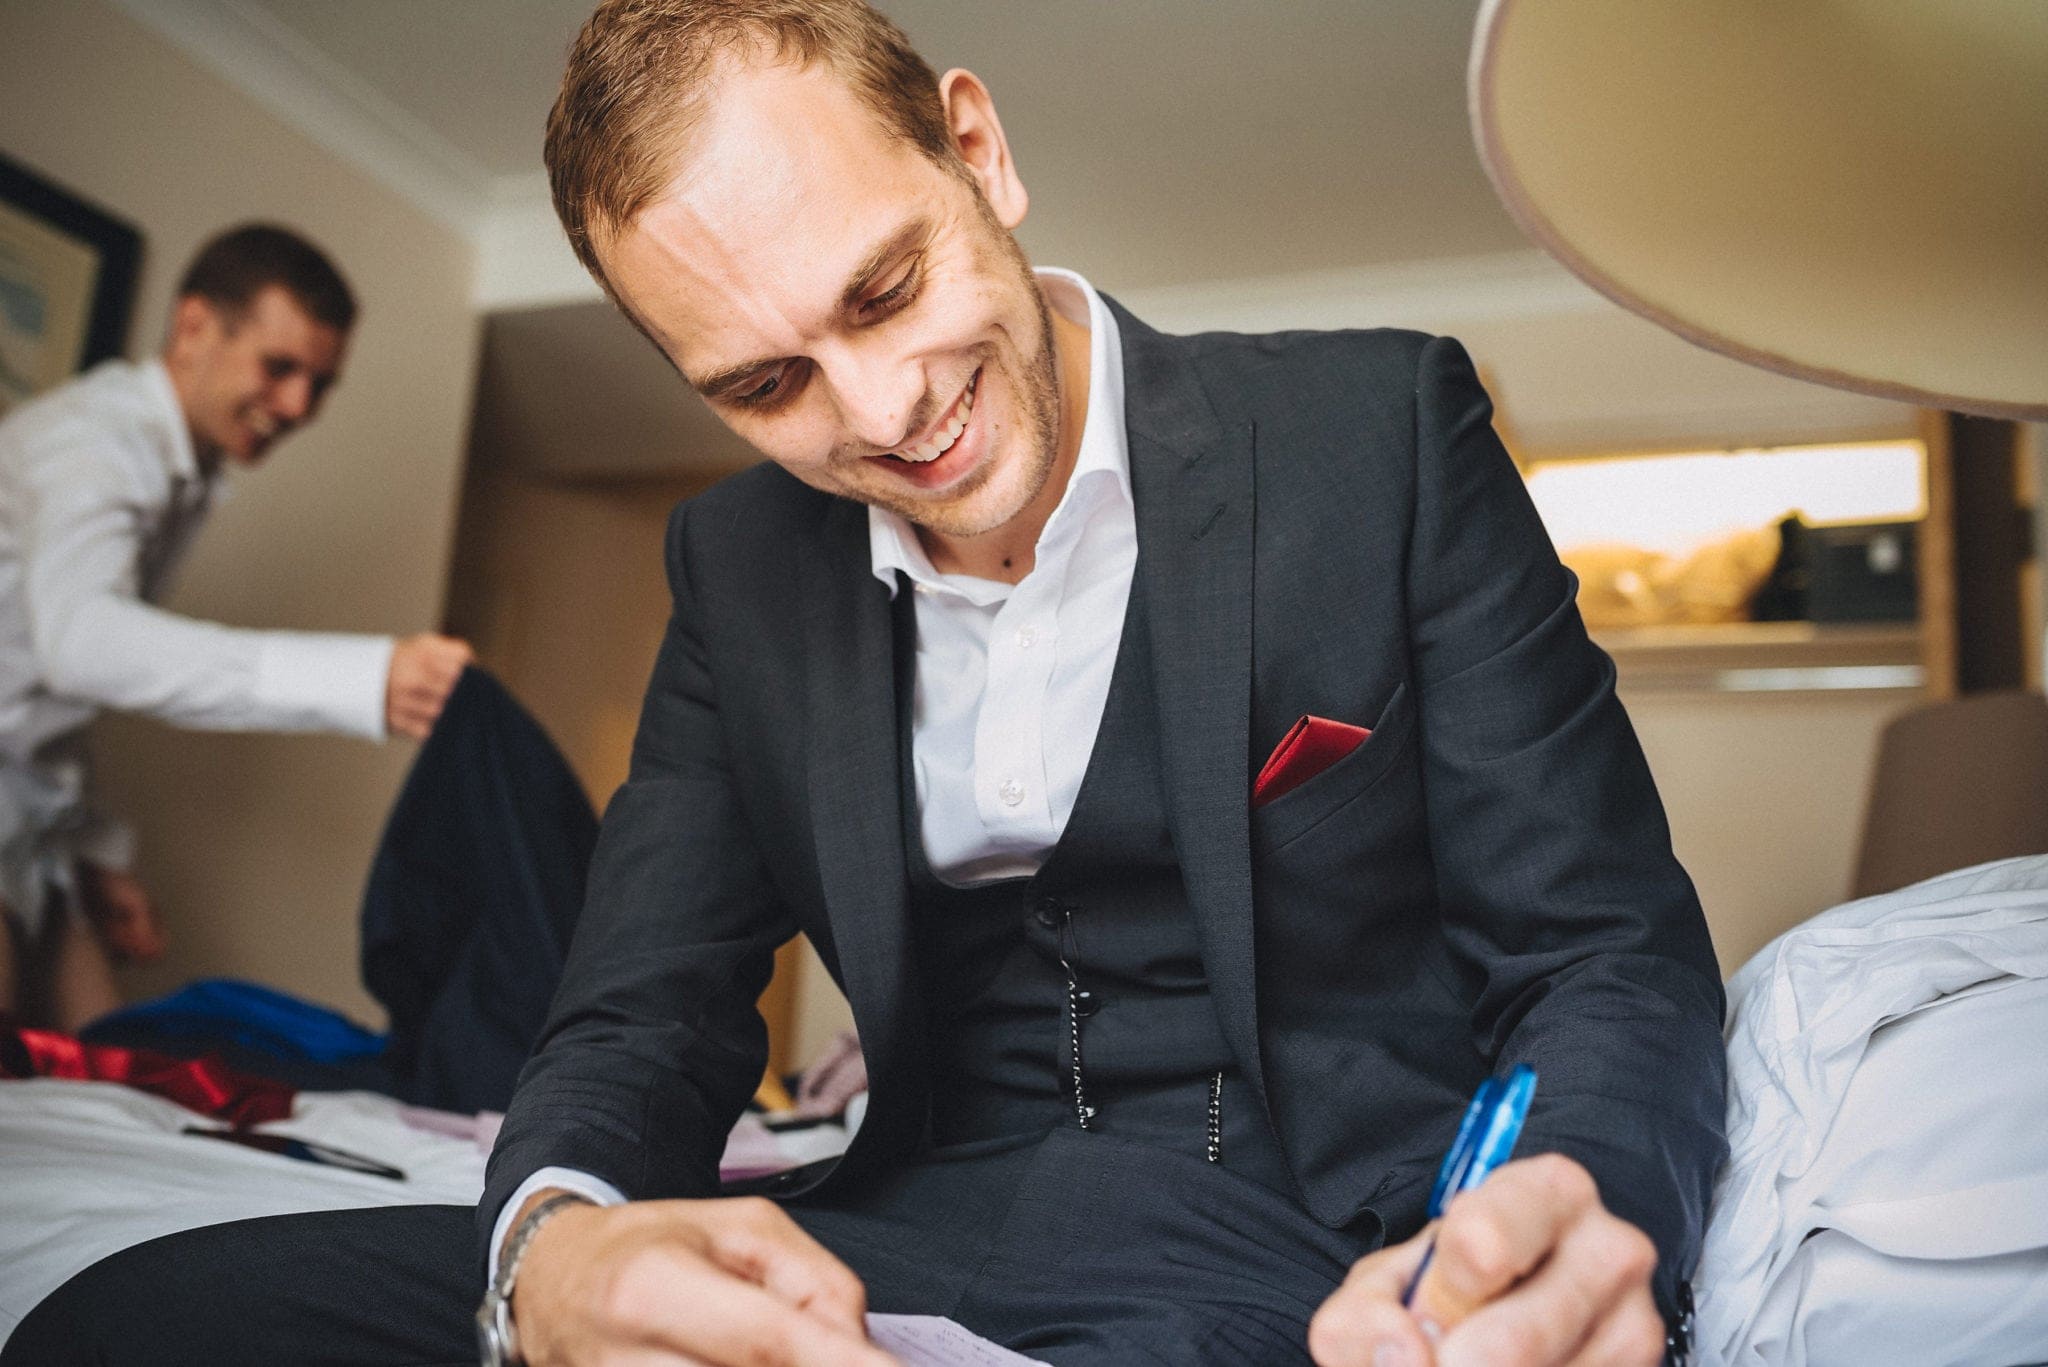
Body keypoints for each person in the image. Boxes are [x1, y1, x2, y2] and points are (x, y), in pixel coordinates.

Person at [4, 6, 1725, 1366]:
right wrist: (552, 1245)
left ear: (975, 148)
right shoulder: (735, 572)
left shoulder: (1379, 435)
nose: (880, 415)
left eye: (886, 289)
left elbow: (1598, 955)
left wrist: (1569, 1202)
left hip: (1296, 1244)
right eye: (763, 381)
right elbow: (640, 1008)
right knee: (143, 1318)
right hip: (889, 1216)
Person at [0, 224, 473, 1032]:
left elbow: (35, 688)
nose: (296, 407)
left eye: (319, 384)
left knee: (106, 1069)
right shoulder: (100, 444)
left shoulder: (186, 465)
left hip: (36, 833)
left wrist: (94, 851)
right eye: (279, 367)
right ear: (194, 329)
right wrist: (363, 679)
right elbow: (79, 645)